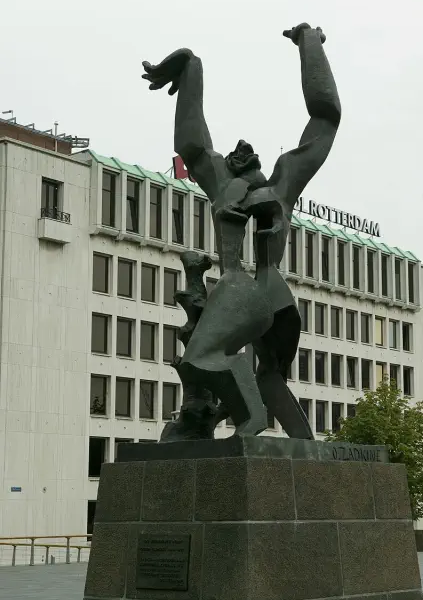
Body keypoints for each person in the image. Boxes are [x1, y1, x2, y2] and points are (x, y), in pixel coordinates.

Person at [142, 23, 341, 436]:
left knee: (201, 356)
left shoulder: (269, 187)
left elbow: (325, 118)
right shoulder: (266, 187)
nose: (243, 147)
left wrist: (309, 43)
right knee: (269, 376)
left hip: (247, 291)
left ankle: (250, 419)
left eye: (245, 152)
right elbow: (192, 144)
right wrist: (190, 68)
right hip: (277, 300)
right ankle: (301, 441)